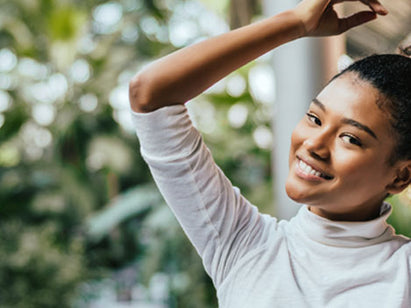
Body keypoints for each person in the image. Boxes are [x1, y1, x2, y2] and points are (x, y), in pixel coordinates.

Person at [128, 0, 411, 306]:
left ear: (402, 176)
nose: (314, 145)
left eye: (350, 138)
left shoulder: (403, 273)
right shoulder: (242, 243)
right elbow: (150, 96)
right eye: (314, 119)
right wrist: (295, 23)